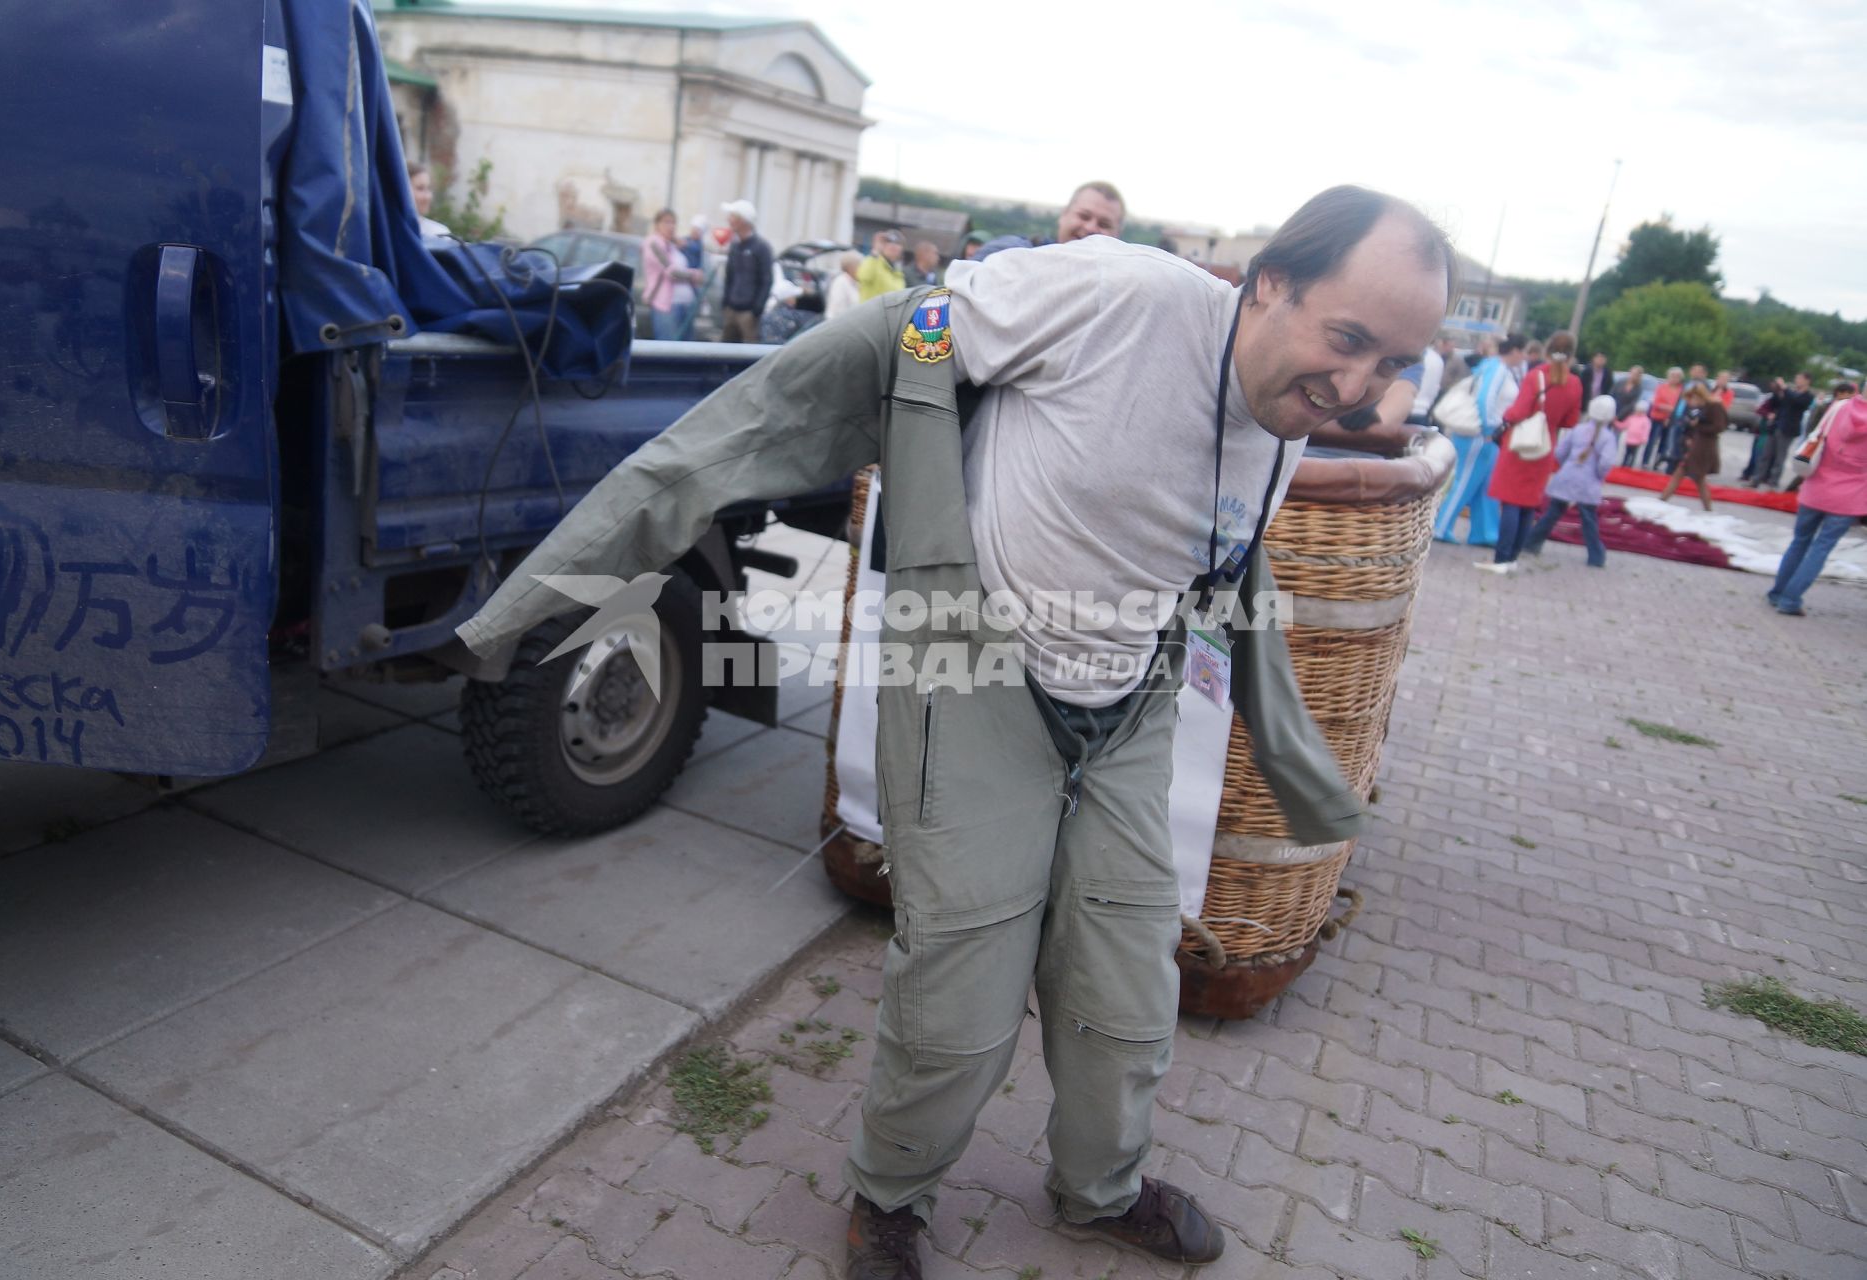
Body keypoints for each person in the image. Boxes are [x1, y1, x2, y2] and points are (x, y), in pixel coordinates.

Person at [452, 184, 1453, 1280]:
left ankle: (1098, 1187)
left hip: (1123, 716)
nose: (1357, 390)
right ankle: (889, 1196)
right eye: (1345, 339)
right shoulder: (1110, 292)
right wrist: (917, 484)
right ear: (1267, 282)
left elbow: (1219, 547)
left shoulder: (1284, 416)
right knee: (959, 1002)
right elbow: (900, 337)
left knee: (1127, 997)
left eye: (1391, 361)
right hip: (974, 681)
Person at [1479, 330, 1582, 574]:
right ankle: (1513, 557)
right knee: (1528, 503)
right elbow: (1571, 420)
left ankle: (1501, 559)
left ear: (1546, 350)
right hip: (1545, 446)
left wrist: (1505, 419)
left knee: (1510, 501)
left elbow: (1518, 411)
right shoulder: (1574, 382)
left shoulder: (1537, 376)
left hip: (1520, 444)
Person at [1769, 391, 1867, 615]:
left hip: (1817, 486)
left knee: (1799, 542)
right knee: (1821, 548)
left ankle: (1777, 592)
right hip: (1850, 495)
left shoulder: (1838, 407)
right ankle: (1790, 600)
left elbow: (1815, 436)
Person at [1432, 336, 1522, 546]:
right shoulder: (1498, 368)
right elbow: (1485, 397)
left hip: (1482, 434)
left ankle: (1485, 531)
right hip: (1480, 434)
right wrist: (1488, 427)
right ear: (1515, 350)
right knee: (1463, 481)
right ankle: (1440, 526)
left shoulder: (1492, 366)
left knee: (1485, 483)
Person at [1522, 394, 1618, 567]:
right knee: (1589, 521)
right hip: (1588, 483)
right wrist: (1599, 476)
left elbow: (1560, 453)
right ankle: (1595, 556)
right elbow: (1605, 463)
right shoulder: (1608, 438)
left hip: (1566, 477)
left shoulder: (1578, 429)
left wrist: (1570, 465)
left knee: (1551, 514)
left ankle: (1531, 542)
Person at [975, 181, 1126, 258]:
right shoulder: (1011, 252)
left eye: (1104, 224)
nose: (1091, 228)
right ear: (1064, 215)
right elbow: (952, 293)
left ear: (1117, 235)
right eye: (1084, 216)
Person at [1658, 384, 1726, 510]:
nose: (1691, 403)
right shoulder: (1701, 408)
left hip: (1705, 447)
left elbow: (1719, 427)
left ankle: (1708, 509)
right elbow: (1691, 427)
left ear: (1700, 397)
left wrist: (1698, 426)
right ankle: (1663, 499)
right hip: (1696, 445)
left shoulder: (1714, 407)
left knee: (1698, 478)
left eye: (1693, 399)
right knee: (1683, 474)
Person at [642, 208, 702, 341]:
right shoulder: (653, 243)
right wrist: (694, 274)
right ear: (657, 224)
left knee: (685, 351)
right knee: (668, 348)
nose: (671, 226)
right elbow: (671, 271)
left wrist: (680, 243)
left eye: (673, 223)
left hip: (685, 304)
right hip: (665, 305)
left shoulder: (671, 244)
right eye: (666, 222)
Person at [719, 198, 774, 343]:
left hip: (748, 312)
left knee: (749, 350)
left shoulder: (761, 248)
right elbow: (729, 276)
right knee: (725, 350)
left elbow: (766, 279)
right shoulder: (735, 246)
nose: (729, 220)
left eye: (732, 217)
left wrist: (756, 309)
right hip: (732, 308)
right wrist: (726, 302)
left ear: (742, 220)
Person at [1751, 372, 1814, 488]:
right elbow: (1777, 402)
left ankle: (1773, 481)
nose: (1797, 380)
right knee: (1765, 454)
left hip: (1788, 430)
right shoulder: (1791, 392)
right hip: (1775, 426)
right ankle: (1757, 479)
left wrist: (1785, 388)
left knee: (1780, 457)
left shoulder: (1807, 396)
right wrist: (1778, 390)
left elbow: (1796, 402)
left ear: (1807, 381)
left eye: (1799, 378)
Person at [1642, 367, 1685, 469]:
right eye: (1672, 376)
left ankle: (1657, 462)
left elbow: (1680, 405)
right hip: (1657, 417)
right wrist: (1668, 408)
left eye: (1677, 376)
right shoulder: (1661, 387)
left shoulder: (1681, 390)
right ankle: (1645, 461)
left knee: (1665, 442)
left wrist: (1670, 410)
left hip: (1671, 419)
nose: (1674, 378)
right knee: (1652, 440)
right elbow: (1656, 402)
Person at [857, 230, 906, 301]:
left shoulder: (898, 270)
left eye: (898, 243)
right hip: (871, 311)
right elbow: (863, 277)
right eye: (889, 242)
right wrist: (875, 252)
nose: (893, 246)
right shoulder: (874, 261)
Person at [407, 162, 452, 239]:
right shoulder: (385, 231)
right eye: (420, 188)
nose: (428, 197)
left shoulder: (439, 234)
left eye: (429, 188)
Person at [1408, 341, 1445, 426]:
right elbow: (1436, 387)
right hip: (1423, 410)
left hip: (1401, 408)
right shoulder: (1437, 359)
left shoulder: (1413, 354)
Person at [825, 249, 863, 320]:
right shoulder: (840, 282)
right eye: (859, 265)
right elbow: (838, 310)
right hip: (839, 324)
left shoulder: (856, 282)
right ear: (851, 267)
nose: (862, 268)